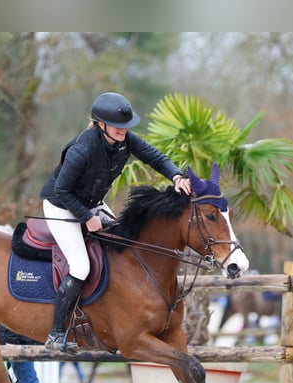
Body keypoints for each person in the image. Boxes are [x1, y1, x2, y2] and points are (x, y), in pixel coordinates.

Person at [40, 91, 192, 353]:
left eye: (126, 126)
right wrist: (87, 218)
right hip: (61, 207)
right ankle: (55, 335)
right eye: (118, 126)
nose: (124, 130)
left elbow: (154, 157)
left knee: (124, 245)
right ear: (101, 125)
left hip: (92, 204)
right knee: (80, 266)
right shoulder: (82, 150)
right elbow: (63, 191)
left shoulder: (124, 140)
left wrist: (176, 176)